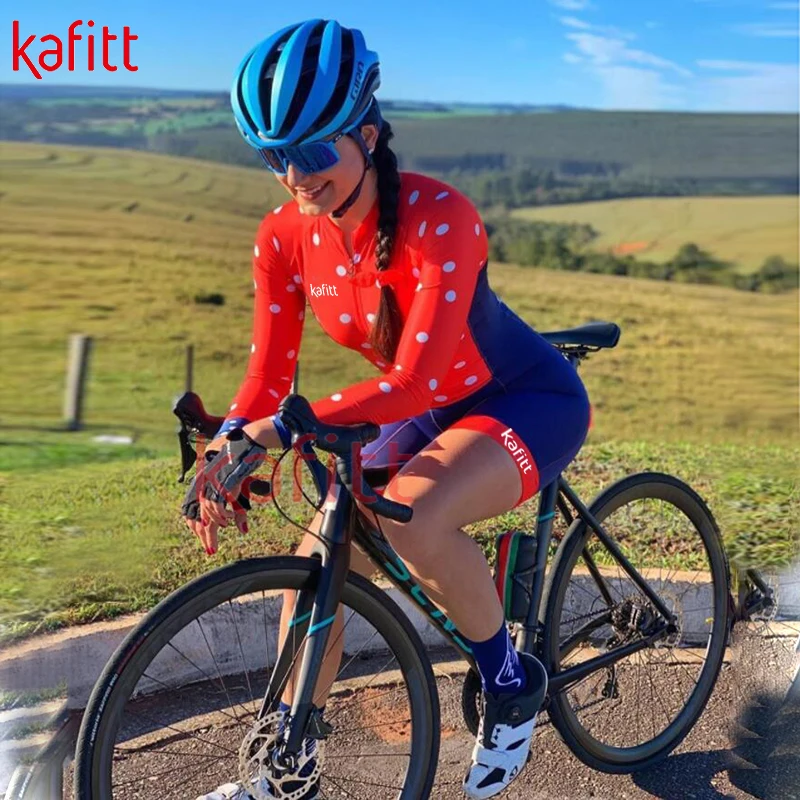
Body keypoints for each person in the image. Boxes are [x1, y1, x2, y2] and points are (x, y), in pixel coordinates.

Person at [183, 18, 591, 800]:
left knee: (414, 517)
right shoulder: (283, 237)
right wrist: (229, 443)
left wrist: (285, 427)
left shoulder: (441, 218)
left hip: (523, 400)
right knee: (317, 563)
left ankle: (512, 685)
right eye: (272, 156)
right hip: (429, 407)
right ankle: (287, 761)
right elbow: (268, 374)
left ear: (366, 135)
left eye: (311, 153)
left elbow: (415, 381)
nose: (294, 177)